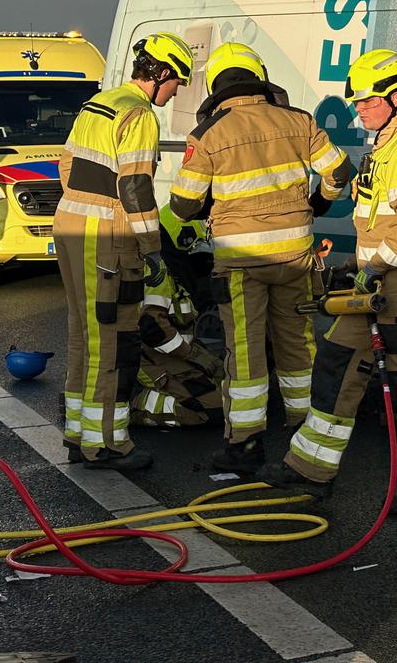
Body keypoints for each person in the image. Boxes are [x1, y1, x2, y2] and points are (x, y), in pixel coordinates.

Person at [259, 48, 397, 514]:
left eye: (368, 102)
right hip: (379, 282)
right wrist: (364, 269)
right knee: (337, 361)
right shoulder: (386, 145)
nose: (359, 110)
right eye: (357, 102)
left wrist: (372, 268)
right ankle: (310, 469)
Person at [169, 43, 353, 474]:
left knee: (247, 354)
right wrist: (319, 203)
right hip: (296, 256)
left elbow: (182, 204)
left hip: (240, 264)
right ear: (260, 77)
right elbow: (339, 172)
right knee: (298, 346)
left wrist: (206, 206)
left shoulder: (209, 134)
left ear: (217, 86)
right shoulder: (298, 122)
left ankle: (246, 445)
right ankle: (305, 434)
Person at [58, 32, 192, 470]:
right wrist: (153, 251)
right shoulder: (139, 115)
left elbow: (66, 164)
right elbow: (135, 187)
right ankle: (107, 445)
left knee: (84, 334)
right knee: (112, 341)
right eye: (178, 84)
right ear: (163, 74)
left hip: (71, 226)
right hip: (107, 236)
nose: (175, 95)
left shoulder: (99, 103)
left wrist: (84, 204)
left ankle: (79, 434)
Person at [131, 208, 225, 428]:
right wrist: (192, 355)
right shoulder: (156, 272)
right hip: (147, 359)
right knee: (213, 411)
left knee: (231, 390)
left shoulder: (178, 273)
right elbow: (152, 329)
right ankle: (131, 402)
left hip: (173, 354)